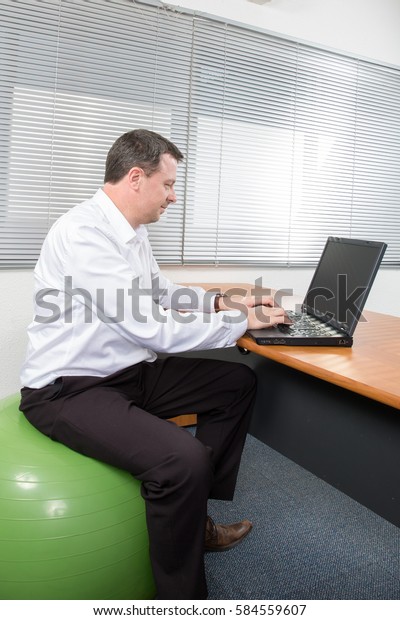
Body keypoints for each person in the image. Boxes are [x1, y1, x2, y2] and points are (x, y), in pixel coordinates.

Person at [19, 129, 286, 600]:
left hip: (125, 373)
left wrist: (222, 300)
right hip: (68, 390)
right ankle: (180, 602)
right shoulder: (84, 233)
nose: (173, 196)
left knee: (235, 382)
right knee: (184, 460)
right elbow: (153, 327)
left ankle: (194, 521)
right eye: (168, 185)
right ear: (136, 177)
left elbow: (161, 292)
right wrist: (241, 322)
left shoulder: (131, 233)